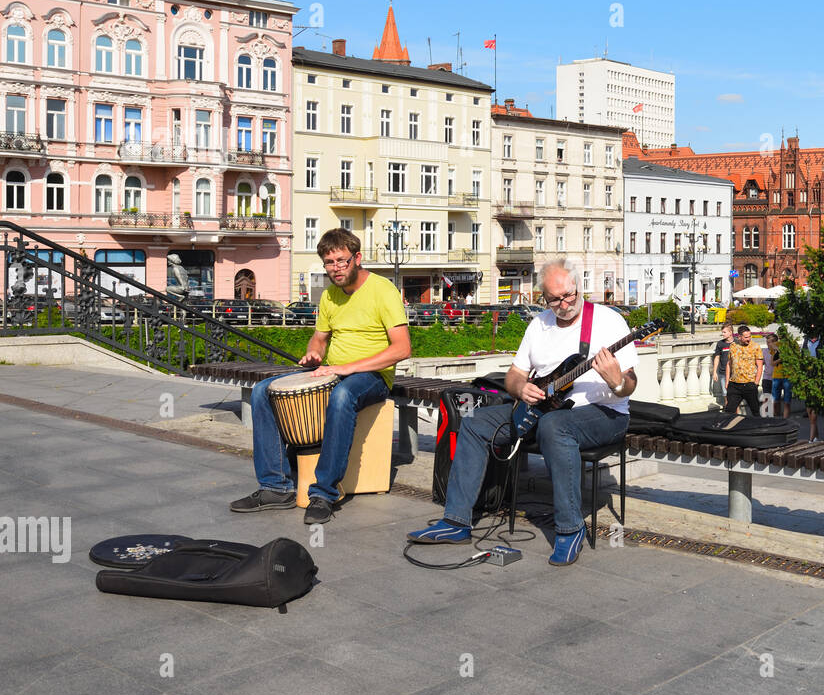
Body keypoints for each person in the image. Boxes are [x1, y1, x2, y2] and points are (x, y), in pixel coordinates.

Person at [408, 259, 637, 566]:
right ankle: (457, 521)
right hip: (543, 409)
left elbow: (630, 384)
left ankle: (570, 529)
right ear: (543, 297)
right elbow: (514, 375)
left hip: (604, 413)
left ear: (578, 287)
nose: (564, 304)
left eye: (569, 295)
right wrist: (520, 389)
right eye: (555, 299)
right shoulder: (539, 324)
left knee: (555, 427)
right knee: (474, 422)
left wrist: (617, 381)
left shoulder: (608, 322)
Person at [229, 229, 411, 524]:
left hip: (373, 377)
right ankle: (276, 486)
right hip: (332, 371)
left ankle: (324, 492)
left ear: (357, 258)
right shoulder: (328, 295)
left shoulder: (383, 290)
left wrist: (348, 368)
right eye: (329, 262)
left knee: (342, 396)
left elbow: (402, 348)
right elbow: (319, 339)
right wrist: (313, 354)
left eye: (341, 260)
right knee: (264, 390)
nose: (336, 268)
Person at [724, 325, 764, 416]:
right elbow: (728, 364)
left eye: (750, 336)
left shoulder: (755, 347)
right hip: (734, 384)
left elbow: (760, 366)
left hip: (749, 384)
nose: (749, 339)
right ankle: (728, 428)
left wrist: (756, 383)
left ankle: (759, 428)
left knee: (755, 411)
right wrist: (727, 381)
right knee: (729, 411)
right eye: (746, 337)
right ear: (739, 337)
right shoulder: (733, 346)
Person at [802, 329, 822, 442]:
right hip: (807, 376)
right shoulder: (806, 341)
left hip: (818, 376)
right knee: (809, 409)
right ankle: (816, 437)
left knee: (814, 411)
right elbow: (802, 356)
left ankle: (811, 439)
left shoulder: (822, 341)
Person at [767, 333, 792, 418]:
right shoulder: (775, 347)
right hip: (777, 376)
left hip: (788, 376)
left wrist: (779, 350)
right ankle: (777, 419)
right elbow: (772, 363)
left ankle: (786, 420)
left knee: (787, 401)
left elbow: (790, 358)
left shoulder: (791, 345)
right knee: (775, 400)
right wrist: (781, 358)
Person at [711, 323, 734, 410]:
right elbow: (717, 357)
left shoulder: (736, 343)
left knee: (734, 395)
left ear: (730, 332)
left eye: (724, 332)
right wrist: (714, 372)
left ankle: (735, 413)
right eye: (722, 332)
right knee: (725, 393)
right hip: (723, 373)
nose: (723, 334)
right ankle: (728, 409)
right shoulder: (720, 344)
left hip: (734, 373)